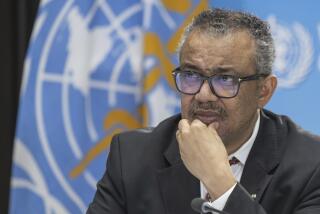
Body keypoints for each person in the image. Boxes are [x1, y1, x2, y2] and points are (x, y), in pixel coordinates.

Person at [87, 8, 320, 214]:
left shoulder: (311, 166)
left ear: (264, 91)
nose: (203, 95)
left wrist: (221, 185)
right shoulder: (132, 157)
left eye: (225, 79)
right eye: (191, 75)